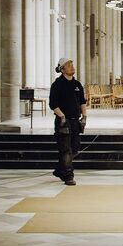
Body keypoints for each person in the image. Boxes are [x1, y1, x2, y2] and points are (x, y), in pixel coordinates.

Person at [49, 57, 87, 185]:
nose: (72, 66)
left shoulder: (77, 85)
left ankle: (60, 170)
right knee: (66, 150)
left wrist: (84, 117)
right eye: (68, 65)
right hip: (63, 122)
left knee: (75, 148)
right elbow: (53, 105)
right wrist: (62, 117)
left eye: (72, 64)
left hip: (75, 121)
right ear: (62, 69)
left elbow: (82, 101)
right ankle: (68, 176)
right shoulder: (57, 85)